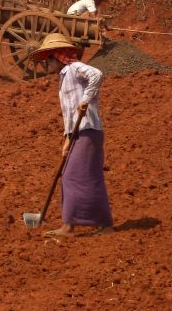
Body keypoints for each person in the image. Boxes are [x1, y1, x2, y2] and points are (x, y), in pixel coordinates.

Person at [30, 33, 113, 237]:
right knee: (85, 176)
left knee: (70, 176)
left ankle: (69, 226)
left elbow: (97, 74)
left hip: (87, 129)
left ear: (56, 57)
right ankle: (103, 223)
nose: (46, 65)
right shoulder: (63, 77)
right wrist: (67, 140)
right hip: (78, 132)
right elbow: (69, 113)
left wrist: (85, 99)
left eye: (48, 60)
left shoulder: (73, 68)